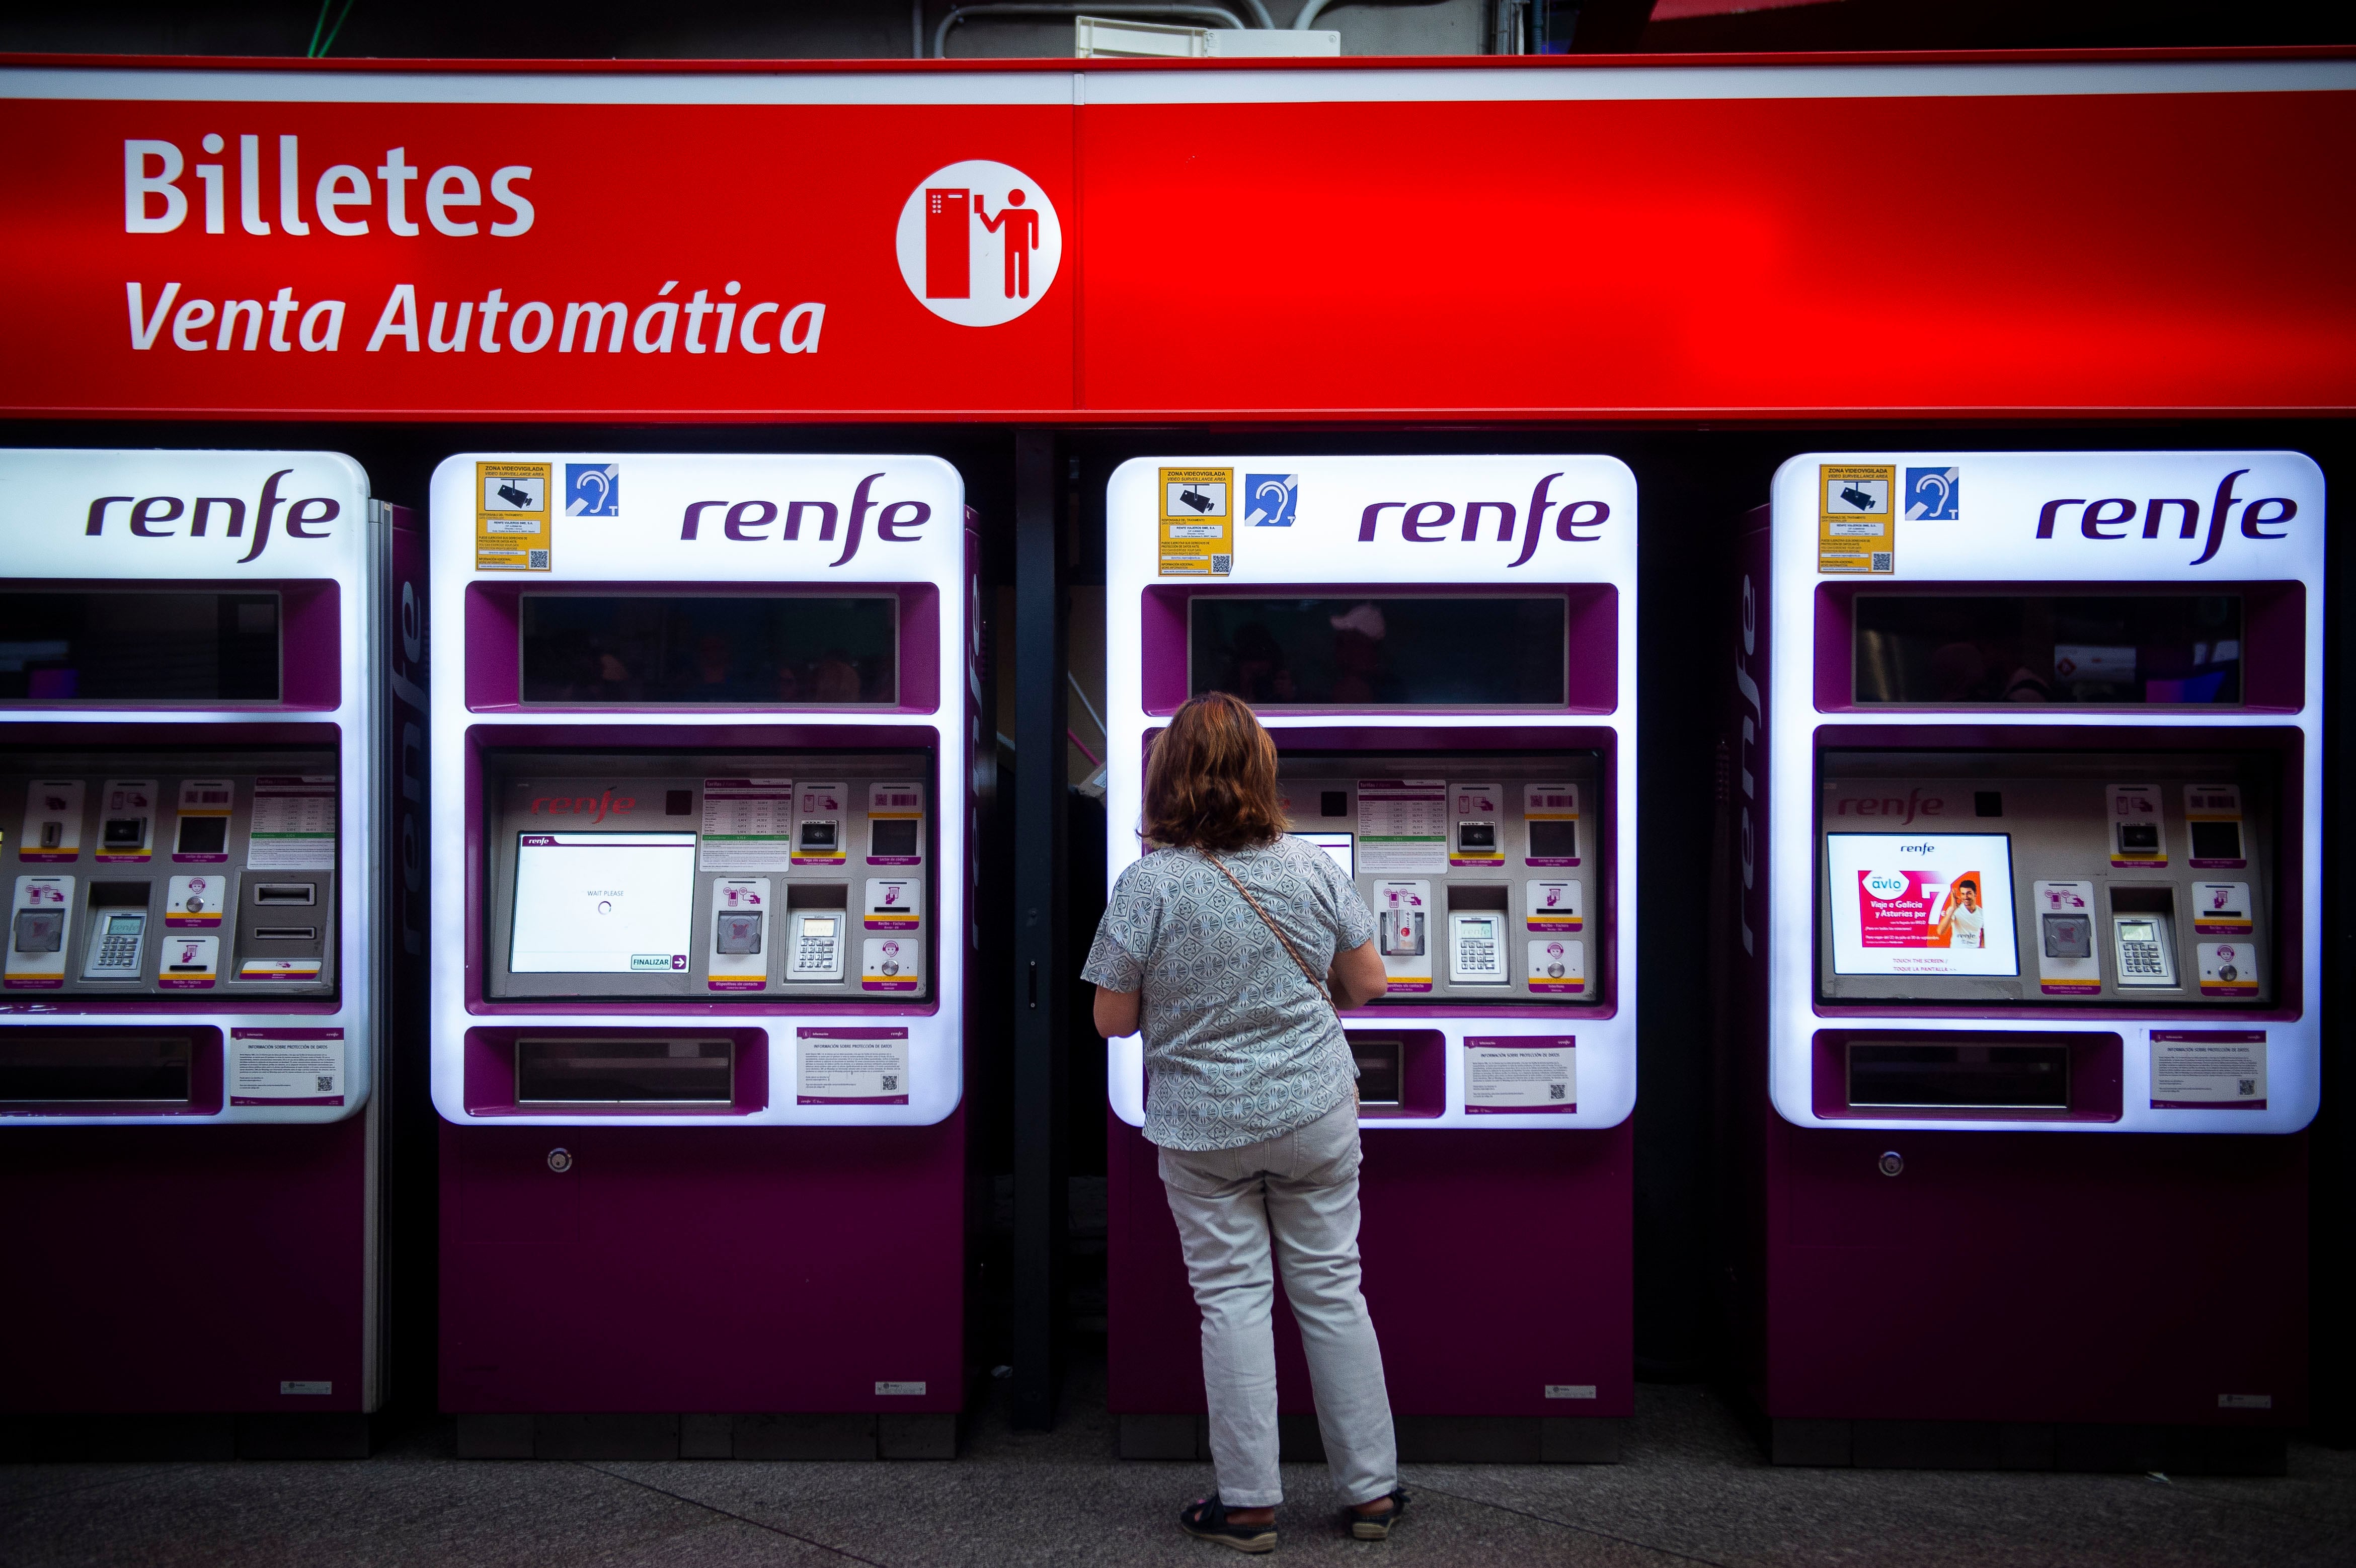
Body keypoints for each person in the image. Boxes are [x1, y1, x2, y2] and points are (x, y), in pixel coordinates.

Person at [1084, 692, 1404, 1553]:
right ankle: (1372, 1495)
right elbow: (1369, 984)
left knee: (1231, 1302)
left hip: (1203, 1128)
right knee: (1333, 1291)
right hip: (1313, 1112)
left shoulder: (1147, 883)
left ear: (1166, 777)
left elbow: (1111, 1021)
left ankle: (1251, 1506)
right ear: (1262, 772)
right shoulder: (1309, 869)